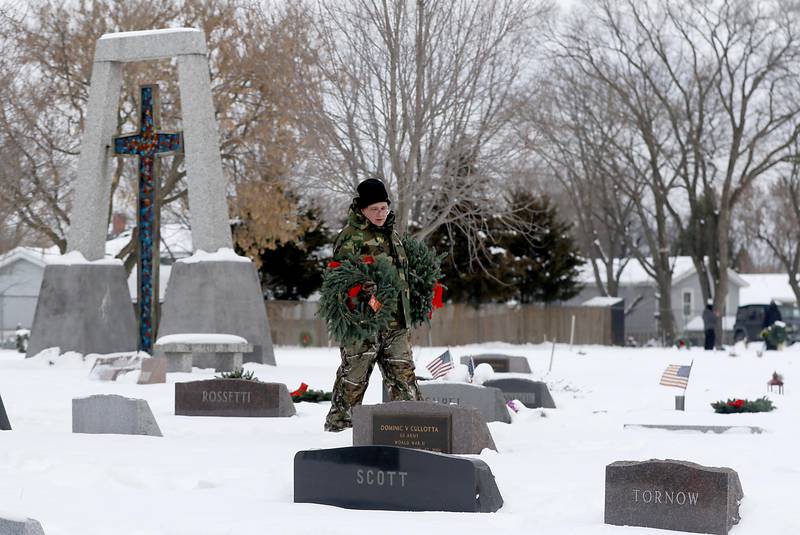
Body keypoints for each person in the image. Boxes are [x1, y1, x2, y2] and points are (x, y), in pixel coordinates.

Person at [324, 178, 422, 432]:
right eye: (374, 209)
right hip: (363, 326)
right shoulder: (350, 238)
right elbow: (339, 281)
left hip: (395, 324)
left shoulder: (393, 235)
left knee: (404, 377)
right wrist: (363, 292)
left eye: (383, 208)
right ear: (362, 209)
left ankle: (411, 430)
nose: (380, 214)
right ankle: (339, 430)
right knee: (353, 380)